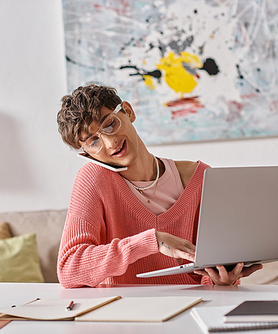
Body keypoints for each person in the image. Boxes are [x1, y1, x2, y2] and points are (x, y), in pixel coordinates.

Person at [56, 84, 262, 288]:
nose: (110, 143)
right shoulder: (94, 179)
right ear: (87, 154)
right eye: (93, 142)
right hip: (127, 315)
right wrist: (151, 241)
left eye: (109, 124)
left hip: (195, 308)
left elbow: (212, 266)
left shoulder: (201, 178)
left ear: (128, 112)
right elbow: (69, 270)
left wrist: (221, 281)